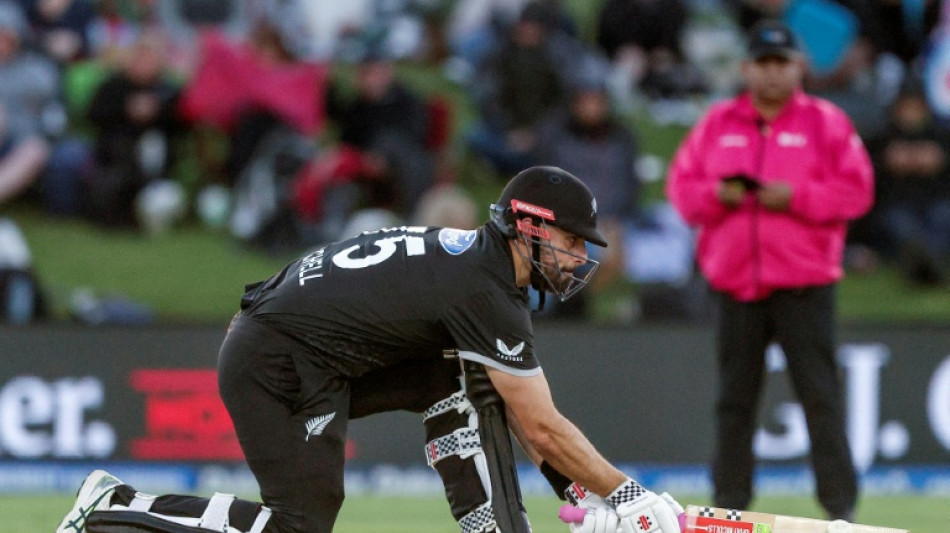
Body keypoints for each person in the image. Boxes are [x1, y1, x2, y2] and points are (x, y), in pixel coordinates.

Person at [57, 166, 685, 533]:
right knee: (301, 526)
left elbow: (524, 419)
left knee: (465, 379)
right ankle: (116, 507)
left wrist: (583, 498)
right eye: (573, 243)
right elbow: (542, 428)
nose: (580, 260)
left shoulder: (480, 268)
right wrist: (630, 497)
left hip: (296, 348)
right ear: (530, 225)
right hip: (277, 363)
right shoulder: (484, 288)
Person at [666, 20, 873, 521]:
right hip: (737, 283)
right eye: (763, 63)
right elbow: (683, 191)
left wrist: (795, 198)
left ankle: (839, 509)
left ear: (798, 67)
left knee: (819, 397)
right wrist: (720, 194)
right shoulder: (718, 123)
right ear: (746, 68)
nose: (773, 73)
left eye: (781, 63)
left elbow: (857, 192)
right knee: (734, 401)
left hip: (804, 283)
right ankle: (729, 508)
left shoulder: (826, 123)